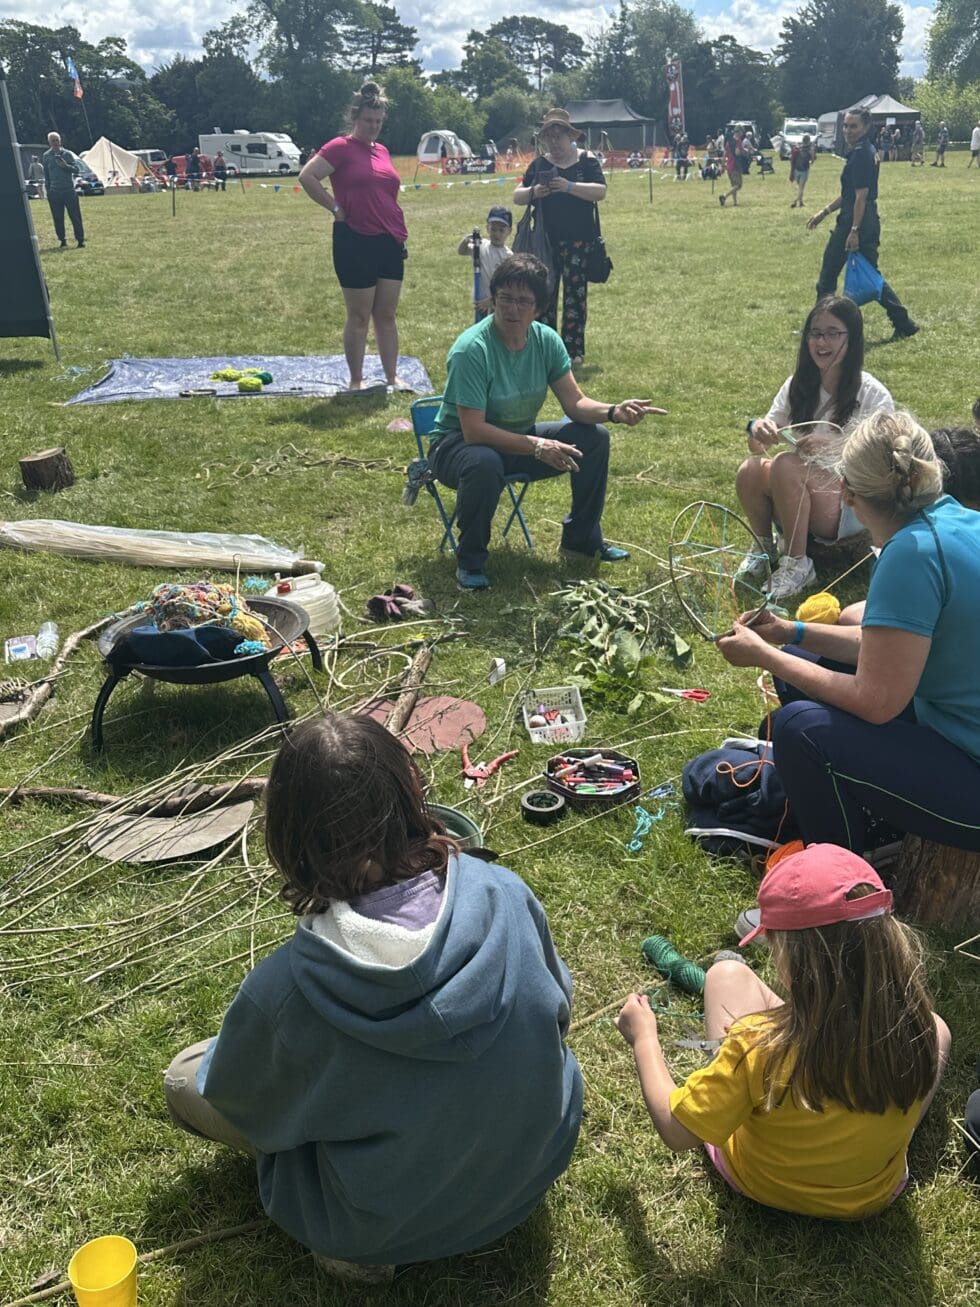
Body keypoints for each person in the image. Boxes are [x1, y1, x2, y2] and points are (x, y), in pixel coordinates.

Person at [164, 713, 583, 1282]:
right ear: (411, 793)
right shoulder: (507, 892)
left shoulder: (283, 994)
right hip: (527, 1176)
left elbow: (242, 1101)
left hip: (383, 1227)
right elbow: (558, 1008)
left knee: (186, 1077)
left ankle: (359, 1251)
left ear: (288, 836)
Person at [616, 843, 950, 1220]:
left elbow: (677, 1132)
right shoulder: (917, 1027)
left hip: (761, 1181)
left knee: (725, 974)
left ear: (793, 959)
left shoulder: (756, 1046)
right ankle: (881, 1138)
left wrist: (644, 1038)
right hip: (870, 1195)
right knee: (940, 1031)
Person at [719, 410, 980, 854]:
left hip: (970, 772)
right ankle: (869, 813)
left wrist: (764, 655)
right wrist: (789, 632)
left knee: (798, 729)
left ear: (849, 493)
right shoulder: (954, 518)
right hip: (954, 731)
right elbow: (886, 647)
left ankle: (846, 872)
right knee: (797, 665)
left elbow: (876, 702)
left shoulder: (911, 554)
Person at [428, 253, 665, 590]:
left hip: (516, 439)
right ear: (493, 299)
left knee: (594, 438)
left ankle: (581, 541)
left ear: (538, 308)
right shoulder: (472, 350)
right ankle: (470, 560)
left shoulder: (545, 340)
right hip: (457, 447)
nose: (512, 309)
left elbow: (576, 403)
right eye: (505, 298)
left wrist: (614, 411)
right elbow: (474, 430)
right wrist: (537, 446)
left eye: (524, 301)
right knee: (484, 462)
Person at [735, 295, 894, 600]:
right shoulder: (797, 385)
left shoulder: (872, 393)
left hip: (850, 506)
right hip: (801, 491)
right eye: (815, 333)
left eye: (833, 333)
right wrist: (758, 430)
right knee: (750, 470)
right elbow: (756, 447)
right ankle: (764, 550)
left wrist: (833, 447)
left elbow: (882, 462)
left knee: (786, 464)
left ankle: (798, 564)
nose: (822, 342)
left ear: (852, 339)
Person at [299, 81, 408, 391]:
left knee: (386, 315)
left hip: (390, 240)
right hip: (355, 239)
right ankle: (356, 380)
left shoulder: (382, 150)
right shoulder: (340, 147)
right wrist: (335, 207)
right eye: (368, 120)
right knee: (359, 316)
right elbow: (307, 176)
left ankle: (392, 376)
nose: (373, 127)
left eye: (378, 121)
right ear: (355, 118)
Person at [807, 107, 918, 340]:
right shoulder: (865, 150)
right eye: (846, 126)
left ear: (866, 127)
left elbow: (861, 196)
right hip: (866, 219)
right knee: (870, 275)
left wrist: (854, 231)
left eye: (854, 126)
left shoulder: (861, 155)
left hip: (855, 221)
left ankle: (819, 328)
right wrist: (824, 212)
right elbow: (849, 194)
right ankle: (904, 323)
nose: (848, 130)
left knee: (827, 277)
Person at [513, 108, 607, 366]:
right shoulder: (539, 164)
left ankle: (573, 350)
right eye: (549, 137)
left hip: (580, 241)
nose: (554, 142)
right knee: (544, 295)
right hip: (545, 241)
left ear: (570, 136)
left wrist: (569, 187)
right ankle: (545, 347)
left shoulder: (587, 161)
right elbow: (517, 196)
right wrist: (535, 191)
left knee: (575, 296)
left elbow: (600, 191)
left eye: (558, 136)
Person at [457, 206, 512, 319]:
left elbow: (507, 284)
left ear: (509, 232)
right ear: (487, 228)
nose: (497, 234)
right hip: (480, 300)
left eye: (501, 230)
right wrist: (466, 241)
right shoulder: (481, 245)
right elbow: (461, 251)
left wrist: (492, 300)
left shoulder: (508, 256)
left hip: (497, 302)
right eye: (493, 229)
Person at [41, 132, 84, 248]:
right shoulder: (46, 156)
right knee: (58, 217)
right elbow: (46, 174)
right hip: (54, 192)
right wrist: (48, 191)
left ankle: (80, 240)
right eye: (53, 141)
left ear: (60, 141)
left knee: (75, 216)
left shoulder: (67, 154)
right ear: (49, 142)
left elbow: (76, 169)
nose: (55, 143)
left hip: (69, 191)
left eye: (57, 140)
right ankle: (62, 240)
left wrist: (65, 166)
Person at [718, 131, 742, 207]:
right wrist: (743, 152)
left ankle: (735, 202)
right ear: (739, 132)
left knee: (733, 185)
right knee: (738, 185)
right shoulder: (738, 141)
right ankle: (724, 196)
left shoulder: (728, 143)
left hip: (729, 166)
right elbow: (737, 152)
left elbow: (724, 155)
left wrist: (722, 166)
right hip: (735, 166)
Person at [789, 135, 813, 208]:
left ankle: (801, 202)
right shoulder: (809, 149)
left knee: (800, 187)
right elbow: (812, 160)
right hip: (804, 170)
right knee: (801, 188)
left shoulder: (798, 148)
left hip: (796, 169)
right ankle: (795, 201)